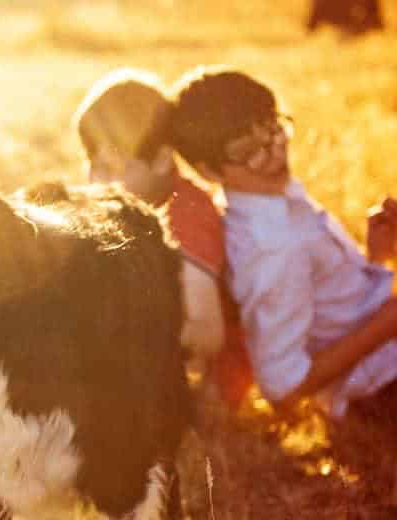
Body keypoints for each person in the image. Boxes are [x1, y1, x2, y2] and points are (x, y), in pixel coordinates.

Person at [169, 66, 397, 420]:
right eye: (250, 151)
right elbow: (282, 386)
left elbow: (335, 309)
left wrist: (378, 258)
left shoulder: (277, 199)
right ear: (210, 172)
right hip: (382, 388)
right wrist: (387, 322)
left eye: (275, 129)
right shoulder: (270, 248)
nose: (275, 153)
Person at [24, 68, 254, 407]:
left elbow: (207, 333)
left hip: (209, 385)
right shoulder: (129, 202)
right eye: (92, 165)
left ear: (162, 160)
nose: (98, 182)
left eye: (112, 168)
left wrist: (117, 332)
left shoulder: (186, 214)